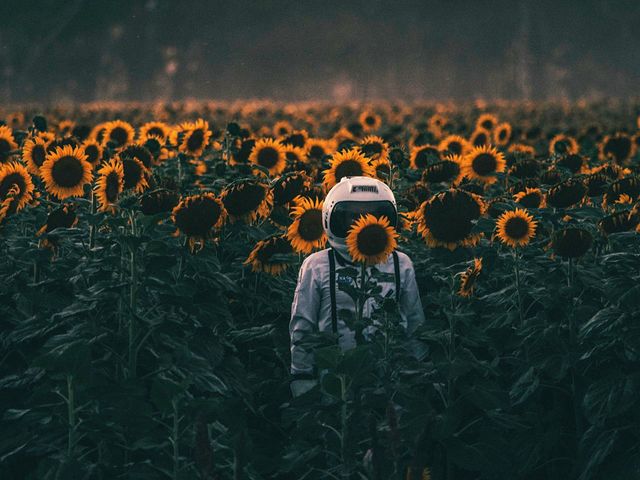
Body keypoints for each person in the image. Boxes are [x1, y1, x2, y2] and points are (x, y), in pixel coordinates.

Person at [289, 176, 425, 396]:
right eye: (352, 216)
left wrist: (417, 371)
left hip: (389, 381)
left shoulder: (401, 264)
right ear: (330, 219)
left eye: (374, 216)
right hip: (335, 382)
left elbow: (414, 323)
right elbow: (303, 325)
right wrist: (302, 375)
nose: (363, 223)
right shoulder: (318, 266)